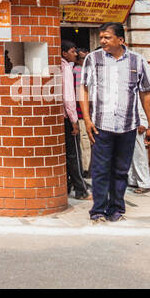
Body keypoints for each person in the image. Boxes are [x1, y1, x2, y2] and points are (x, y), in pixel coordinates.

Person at [80, 22, 150, 223]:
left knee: (121, 170)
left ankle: (116, 210)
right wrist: (87, 120)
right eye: (101, 37)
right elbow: (84, 89)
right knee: (100, 170)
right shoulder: (92, 59)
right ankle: (98, 211)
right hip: (100, 125)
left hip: (128, 126)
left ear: (120, 40)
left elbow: (146, 94)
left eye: (107, 37)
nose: (102, 41)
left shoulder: (138, 61)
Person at [59, 41, 89, 199]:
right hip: (68, 117)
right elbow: (69, 98)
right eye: (72, 51)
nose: (75, 54)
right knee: (74, 154)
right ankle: (81, 190)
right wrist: (74, 121)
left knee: (66, 155)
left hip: (60, 118)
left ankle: (68, 185)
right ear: (64, 53)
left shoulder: (59, 66)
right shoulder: (66, 69)